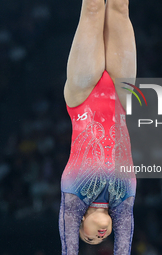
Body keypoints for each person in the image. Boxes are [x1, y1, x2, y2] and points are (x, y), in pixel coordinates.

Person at [59, 0, 137, 254]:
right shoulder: (123, 202)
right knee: (120, 7)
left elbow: (68, 249)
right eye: (103, 240)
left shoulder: (73, 198)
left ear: (80, 222)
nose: (100, 237)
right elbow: (123, 246)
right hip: (121, 95)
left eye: (90, 239)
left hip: (82, 97)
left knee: (92, 8)